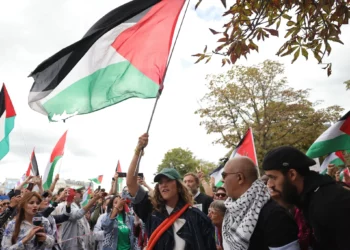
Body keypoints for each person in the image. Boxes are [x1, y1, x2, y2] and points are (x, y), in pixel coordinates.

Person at [126, 133, 216, 250]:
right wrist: (138, 151)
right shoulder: (151, 212)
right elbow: (131, 183)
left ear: (178, 186)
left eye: (168, 180)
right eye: (160, 182)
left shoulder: (198, 217)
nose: (164, 185)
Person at [263, 146, 350, 250]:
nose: (270, 185)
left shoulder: (331, 203)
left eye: (273, 177)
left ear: (292, 174)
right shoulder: (308, 200)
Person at [222, 156, 300, 250]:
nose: (222, 180)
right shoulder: (231, 211)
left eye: (224, 175)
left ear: (240, 178)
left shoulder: (274, 215)